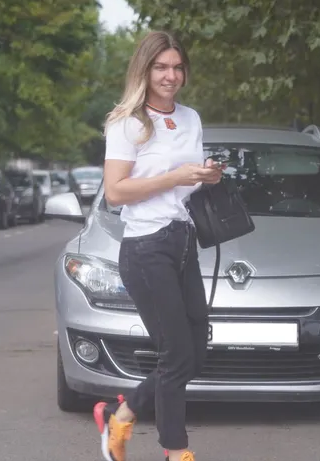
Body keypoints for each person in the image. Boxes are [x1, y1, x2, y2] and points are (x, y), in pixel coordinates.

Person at [94, 30, 223, 461]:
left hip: (183, 239)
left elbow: (188, 182)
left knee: (195, 351)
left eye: (177, 67)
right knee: (176, 354)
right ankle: (176, 451)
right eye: (161, 67)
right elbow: (115, 192)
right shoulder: (127, 123)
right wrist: (175, 177)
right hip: (146, 247)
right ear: (145, 70)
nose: (171, 76)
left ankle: (122, 413)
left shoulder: (191, 118)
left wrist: (207, 176)